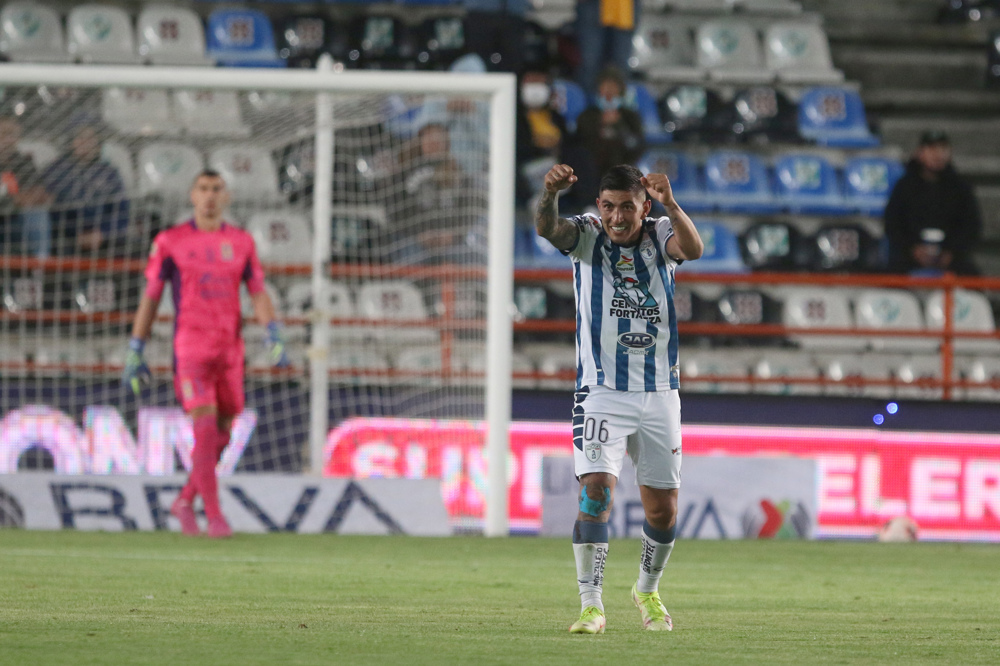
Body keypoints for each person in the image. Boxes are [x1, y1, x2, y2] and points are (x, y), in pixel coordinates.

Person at [535, 162, 703, 634]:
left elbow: (694, 248)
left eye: (626, 207)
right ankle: (591, 605)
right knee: (595, 492)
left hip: (658, 392)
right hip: (602, 392)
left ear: (643, 206)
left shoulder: (661, 232)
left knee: (662, 509)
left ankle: (646, 589)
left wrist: (671, 203)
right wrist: (549, 195)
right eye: (607, 206)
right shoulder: (586, 236)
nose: (616, 217)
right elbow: (548, 228)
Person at [122, 170, 288, 538]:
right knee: (204, 427)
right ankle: (215, 518)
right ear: (191, 195)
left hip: (230, 349)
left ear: (226, 197)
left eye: (216, 189)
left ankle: (184, 500)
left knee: (224, 431)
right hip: (191, 347)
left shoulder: (242, 242)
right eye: (203, 189)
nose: (210, 196)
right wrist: (137, 346)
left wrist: (272, 330)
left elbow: (258, 291)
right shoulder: (171, 241)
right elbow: (152, 297)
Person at [884, 130, 982, 275]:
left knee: (971, 275)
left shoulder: (961, 188)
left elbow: (971, 226)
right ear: (920, 152)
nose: (938, 154)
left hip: (951, 255)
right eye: (932, 149)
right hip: (910, 254)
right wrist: (913, 249)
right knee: (891, 272)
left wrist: (951, 252)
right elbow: (892, 223)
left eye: (943, 149)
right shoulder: (904, 186)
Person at [41, 117, 129, 254]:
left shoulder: (109, 173)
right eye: (80, 137)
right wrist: (76, 235)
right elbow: (49, 210)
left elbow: (122, 211)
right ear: (71, 142)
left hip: (104, 237)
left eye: (91, 138)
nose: (86, 143)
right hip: (65, 236)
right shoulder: (55, 171)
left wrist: (102, 233)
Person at [572, 67, 646, 205]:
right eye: (605, 87)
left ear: (621, 91)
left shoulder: (630, 117)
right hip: (593, 172)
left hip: (621, 168)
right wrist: (599, 124)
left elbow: (636, 145)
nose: (609, 92)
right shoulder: (587, 116)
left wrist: (618, 126)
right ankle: (590, 206)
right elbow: (581, 143)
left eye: (613, 87)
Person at [0, 115, 52, 257]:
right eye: (5, 134)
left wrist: (19, 200)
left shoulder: (23, 162)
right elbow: (23, 198)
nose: (9, 140)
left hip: (16, 221)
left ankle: (39, 269)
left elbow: (39, 193)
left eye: (13, 135)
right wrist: (17, 200)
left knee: (38, 213)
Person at [574, 0, 639, 96]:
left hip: (625, 5)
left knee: (620, 66)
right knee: (590, 64)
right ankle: (589, 108)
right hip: (591, 5)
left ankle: (618, 108)